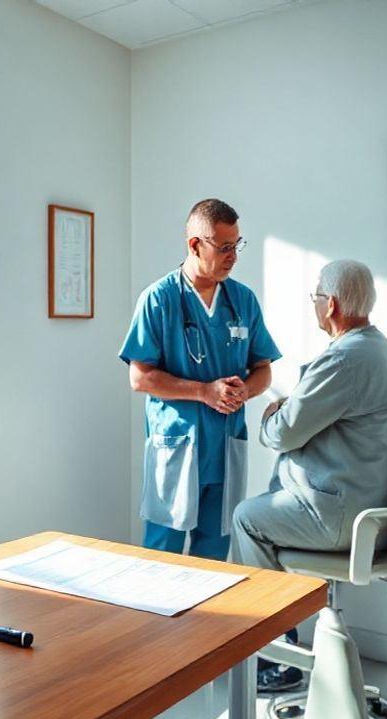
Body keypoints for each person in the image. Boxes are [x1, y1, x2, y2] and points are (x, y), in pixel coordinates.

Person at [230, 259, 387, 690]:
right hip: (365, 503)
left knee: (245, 518)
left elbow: (283, 433)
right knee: (260, 507)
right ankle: (283, 641)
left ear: (330, 305)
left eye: (315, 298)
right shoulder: (378, 347)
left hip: (337, 513)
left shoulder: (345, 360)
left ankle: (278, 654)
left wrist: (274, 413)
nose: (314, 305)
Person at [119, 199, 281, 561]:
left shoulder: (242, 300)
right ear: (195, 245)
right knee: (163, 556)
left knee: (214, 554)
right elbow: (140, 377)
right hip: (177, 447)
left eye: (237, 245)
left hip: (225, 447)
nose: (233, 256)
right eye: (224, 248)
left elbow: (263, 369)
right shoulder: (158, 300)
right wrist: (204, 392)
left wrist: (245, 391)